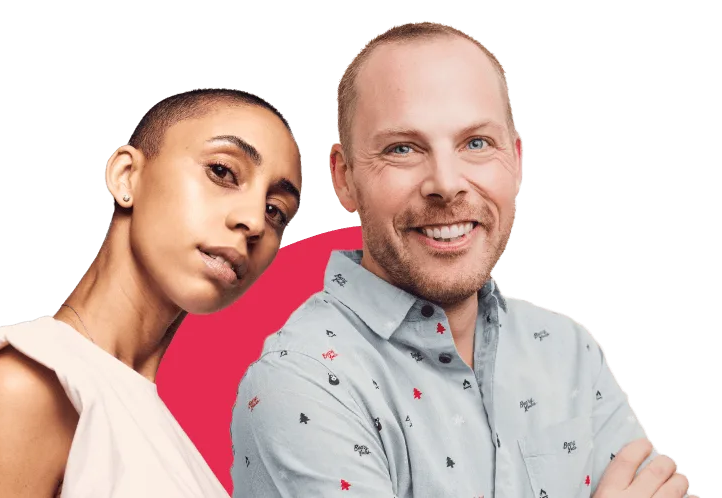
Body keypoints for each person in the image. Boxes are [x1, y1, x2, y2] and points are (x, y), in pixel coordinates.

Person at [229, 22, 695, 498]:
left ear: (515, 159)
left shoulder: (567, 352)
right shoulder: (301, 384)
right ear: (345, 179)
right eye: (403, 149)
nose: (447, 183)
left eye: (476, 143)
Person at [0, 88, 303, 497]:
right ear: (126, 176)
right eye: (222, 171)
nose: (253, 221)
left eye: (276, 211)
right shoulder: (34, 382)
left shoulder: (155, 428)